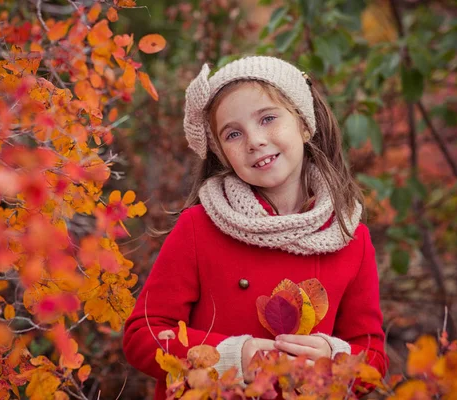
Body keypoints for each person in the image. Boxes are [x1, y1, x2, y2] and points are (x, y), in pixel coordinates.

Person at [123, 56, 388, 398]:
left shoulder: (350, 239)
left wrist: (333, 359)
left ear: (304, 123)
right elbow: (143, 335)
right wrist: (231, 357)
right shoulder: (199, 228)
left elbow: (374, 358)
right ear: (221, 152)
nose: (255, 140)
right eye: (233, 133)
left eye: (267, 118)